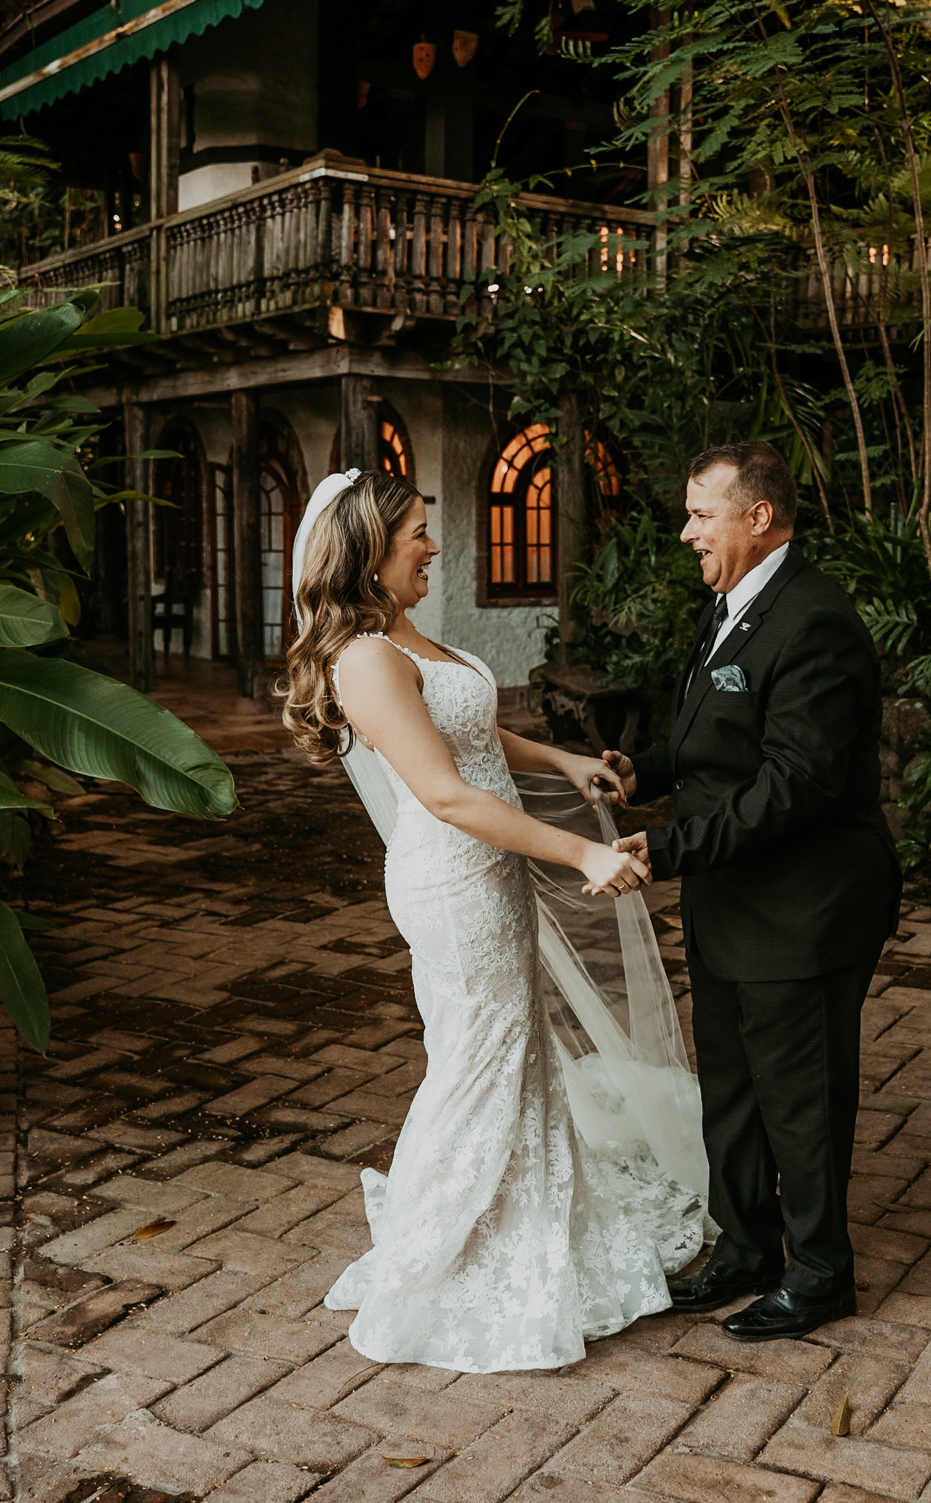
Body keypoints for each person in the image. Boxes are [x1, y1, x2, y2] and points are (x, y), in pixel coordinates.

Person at [282, 468, 704, 1373]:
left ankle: (516, 1226)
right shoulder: (363, 657)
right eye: (418, 536)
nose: (434, 548)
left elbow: (470, 731)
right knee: (478, 1062)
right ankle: (427, 1264)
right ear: (370, 550)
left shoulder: (404, 637)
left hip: (487, 874)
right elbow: (443, 791)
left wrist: (561, 758)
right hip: (453, 882)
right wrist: (583, 853)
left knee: (509, 1055)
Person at [604, 441, 901, 1341]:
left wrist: (670, 845)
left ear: (758, 517)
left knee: (799, 1097)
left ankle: (820, 1273)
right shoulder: (732, 604)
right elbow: (717, 742)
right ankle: (745, 1248)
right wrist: (641, 770)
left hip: (802, 907)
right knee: (732, 1086)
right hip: (733, 901)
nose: (687, 531)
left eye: (702, 513)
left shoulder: (815, 620)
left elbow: (793, 786)